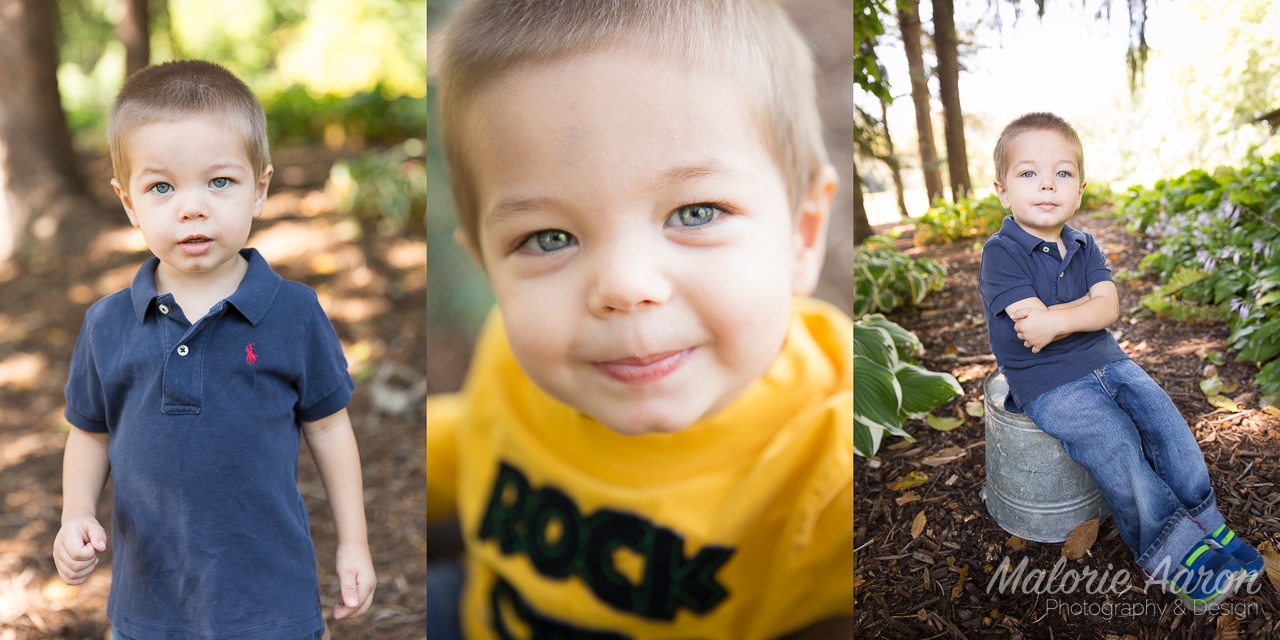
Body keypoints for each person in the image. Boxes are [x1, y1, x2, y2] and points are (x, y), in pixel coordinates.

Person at [425, 0, 852, 638]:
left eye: (696, 212)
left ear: (802, 233)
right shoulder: (513, 362)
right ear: (491, 269)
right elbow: (477, 443)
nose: (625, 287)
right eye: (547, 238)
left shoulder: (830, 460)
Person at [51, 60, 376, 640]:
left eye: (219, 181)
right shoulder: (106, 325)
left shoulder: (294, 313)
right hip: (149, 610)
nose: (191, 207)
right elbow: (90, 431)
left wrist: (353, 543)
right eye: (161, 187)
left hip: (271, 607)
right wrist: (75, 513)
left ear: (261, 188)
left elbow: (329, 429)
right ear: (128, 203)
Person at [978, 112, 1264, 610]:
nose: (1047, 183)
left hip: (1108, 359)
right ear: (1003, 190)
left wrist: (1065, 317)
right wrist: (1080, 313)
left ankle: (1206, 523)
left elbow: (1108, 308)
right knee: (1114, 443)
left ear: (1080, 189)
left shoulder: (1085, 245)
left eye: (1062, 173)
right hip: (1047, 384)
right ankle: (1168, 551)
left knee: (1163, 419)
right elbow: (1032, 328)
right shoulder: (1001, 252)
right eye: (1029, 173)